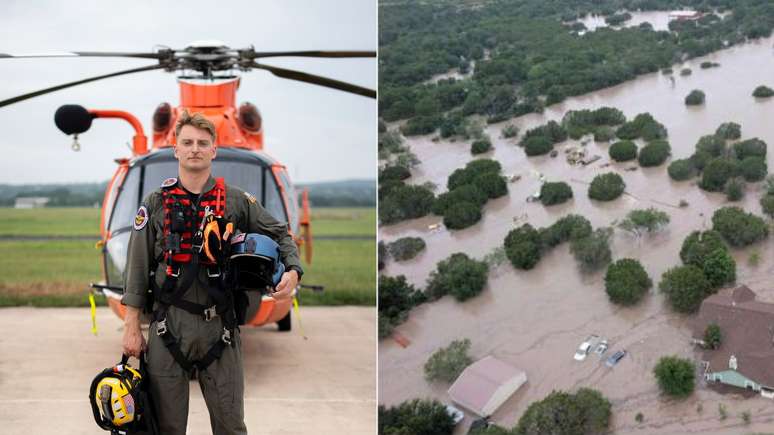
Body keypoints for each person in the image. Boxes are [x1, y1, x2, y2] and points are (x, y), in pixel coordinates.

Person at [121, 110, 303, 434]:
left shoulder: (236, 201)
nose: (195, 149)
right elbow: (137, 266)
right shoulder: (156, 203)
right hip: (168, 327)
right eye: (188, 142)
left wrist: (293, 270)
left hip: (220, 328)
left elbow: (280, 233)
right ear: (176, 149)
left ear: (213, 150)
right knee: (166, 428)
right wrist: (131, 326)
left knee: (231, 426)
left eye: (203, 143)